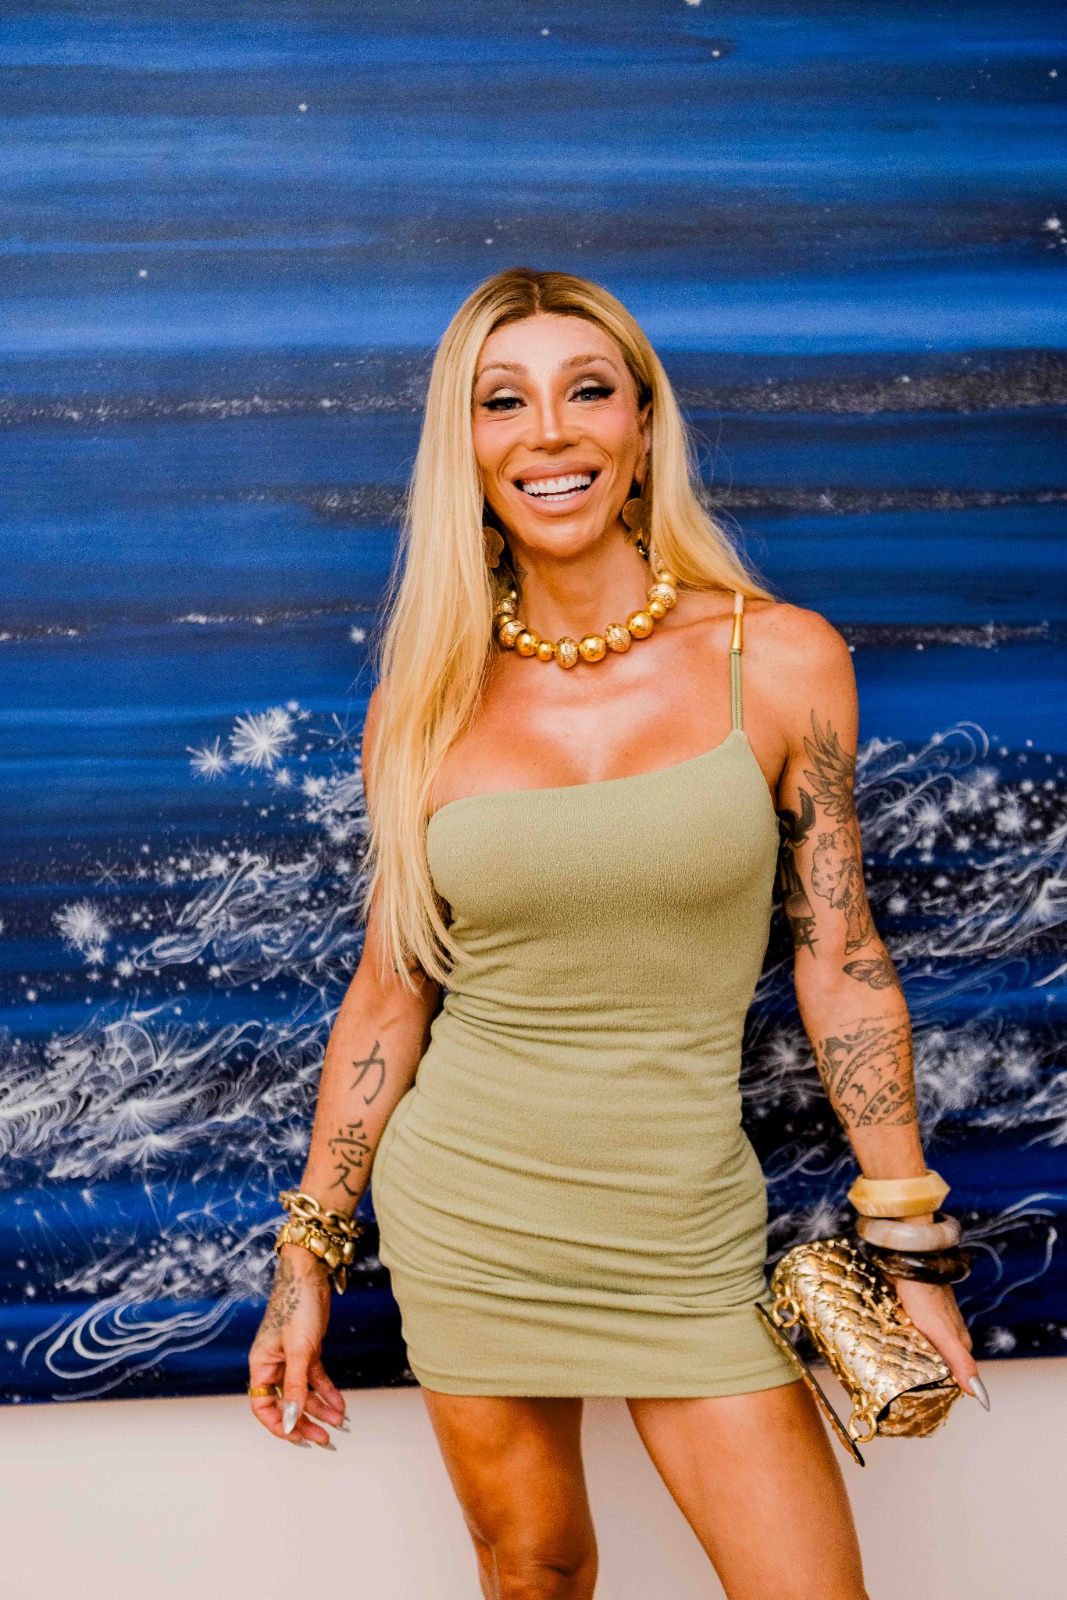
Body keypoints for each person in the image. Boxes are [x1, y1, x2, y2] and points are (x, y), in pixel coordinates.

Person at [248, 268, 987, 1600]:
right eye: (503, 402)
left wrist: (911, 1245)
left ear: (642, 428)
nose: (550, 432)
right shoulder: (423, 701)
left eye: (588, 391)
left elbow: (841, 963)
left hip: (686, 1224)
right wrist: (310, 1252)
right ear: (465, 448)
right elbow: (390, 991)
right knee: (535, 1568)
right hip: (471, 1213)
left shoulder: (781, 659)